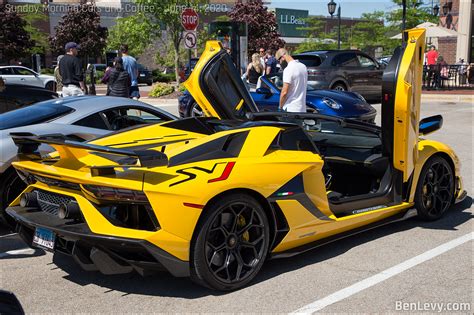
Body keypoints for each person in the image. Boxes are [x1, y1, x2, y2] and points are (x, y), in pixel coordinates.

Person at [275, 48, 307, 113]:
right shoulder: (303, 66)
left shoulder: (288, 69)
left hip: (290, 109)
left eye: (279, 61)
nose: (280, 63)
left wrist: (280, 107)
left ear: (282, 57)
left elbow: (284, 92)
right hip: (302, 109)